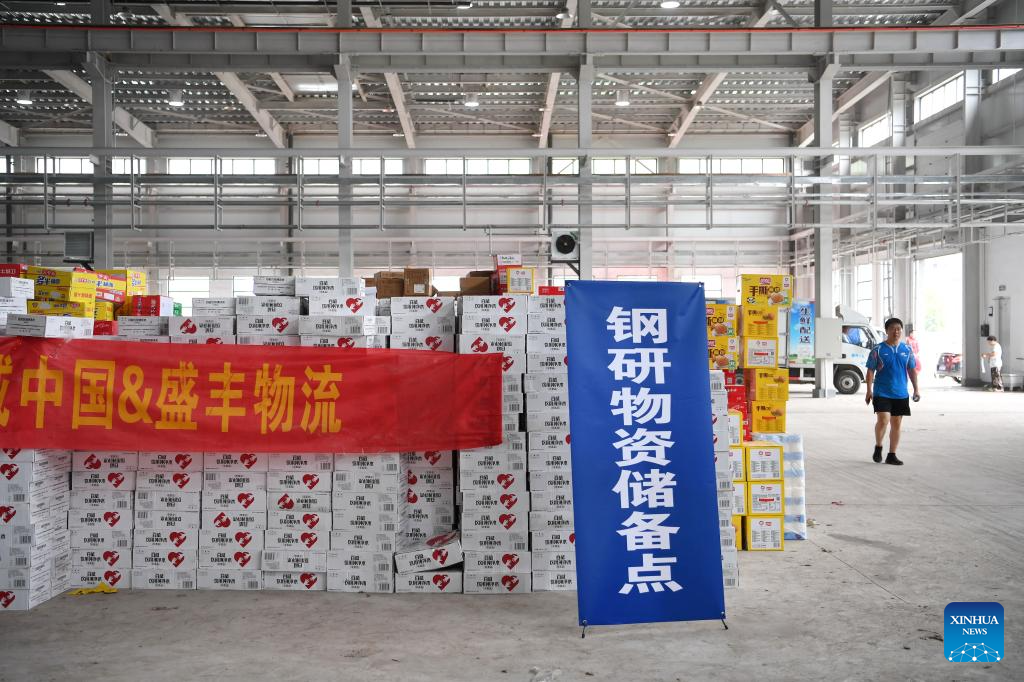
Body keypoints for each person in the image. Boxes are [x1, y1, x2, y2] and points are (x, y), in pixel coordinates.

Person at [864, 317, 920, 466]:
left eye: (898, 329)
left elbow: (912, 370)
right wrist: (869, 390)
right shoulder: (878, 350)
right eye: (893, 329)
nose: (896, 332)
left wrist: (916, 389)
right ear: (887, 331)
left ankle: (892, 454)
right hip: (882, 392)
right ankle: (878, 446)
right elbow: (870, 371)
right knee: (883, 420)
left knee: (896, 423)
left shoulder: (907, 350)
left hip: (901, 393)